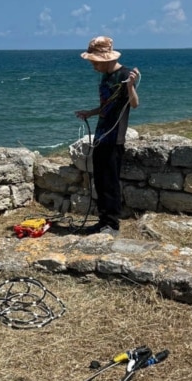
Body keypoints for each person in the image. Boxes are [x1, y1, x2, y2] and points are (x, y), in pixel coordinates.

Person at [75, 36, 140, 235]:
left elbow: (135, 104)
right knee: (100, 180)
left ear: (106, 59)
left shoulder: (126, 74)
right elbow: (107, 105)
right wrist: (90, 112)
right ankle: (103, 221)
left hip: (114, 137)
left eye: (95, 62)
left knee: (110, 181)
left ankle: (112, 224)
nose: (93, 66)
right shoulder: (105, 75)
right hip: (101, 134)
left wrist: (130, 86)